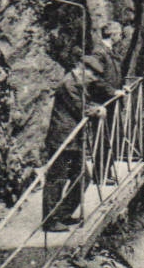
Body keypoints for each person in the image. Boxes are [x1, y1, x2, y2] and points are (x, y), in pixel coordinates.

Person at [42, 55, 113, 230]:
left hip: (74, 139)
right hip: (63, 139)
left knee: (83, 177)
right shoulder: (69, 84)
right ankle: (50, 221)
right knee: (57, 179)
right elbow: (79, 108)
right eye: (92, 73)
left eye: (96, 75)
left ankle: (63, 214)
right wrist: (97, 110)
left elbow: (84, 102)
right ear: (81, 68)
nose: (93, 78)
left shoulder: (77, 83)